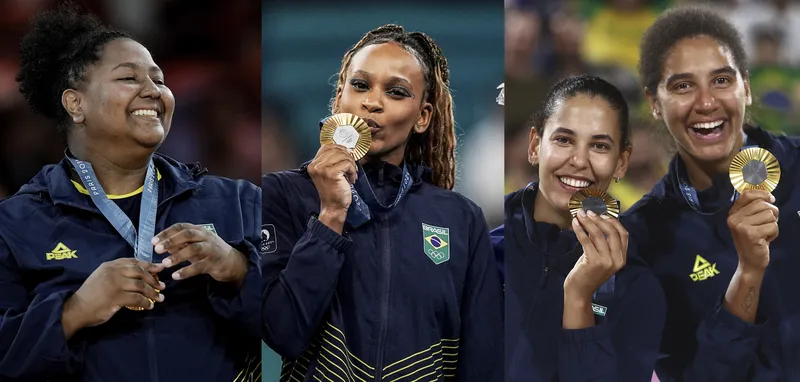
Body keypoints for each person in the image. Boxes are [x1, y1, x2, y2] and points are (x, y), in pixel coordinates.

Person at [0, 3, 261, 381]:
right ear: (76, 103)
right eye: (129, 78)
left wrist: (238, 269)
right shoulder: (15, 225)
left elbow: (299, 327)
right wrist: (73, 311)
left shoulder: (237, 202)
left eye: (159, 79)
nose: (153, 91)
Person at [261, 25, 503, 381]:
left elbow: (483, 363)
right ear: (339, 95)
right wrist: (330, 216)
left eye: (396, 91)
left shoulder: (460, 219)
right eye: (360, 85)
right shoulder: (283, 195)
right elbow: (283, 333)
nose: (372, 101)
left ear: (422, 117)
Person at [622, 6, 800, 381]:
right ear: (654, 103)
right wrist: (748, 274)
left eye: (721, 80)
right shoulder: (642, 238)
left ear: (746, 88)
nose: (706, 103)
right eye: (683, 85)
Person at [493, 74, 666, 382]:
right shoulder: (483, 248)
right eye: (563, 140)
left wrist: (578, 297)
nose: (579, 160)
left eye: (599, 145)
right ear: (534, 146)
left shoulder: (639, 284)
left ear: (622, 162)